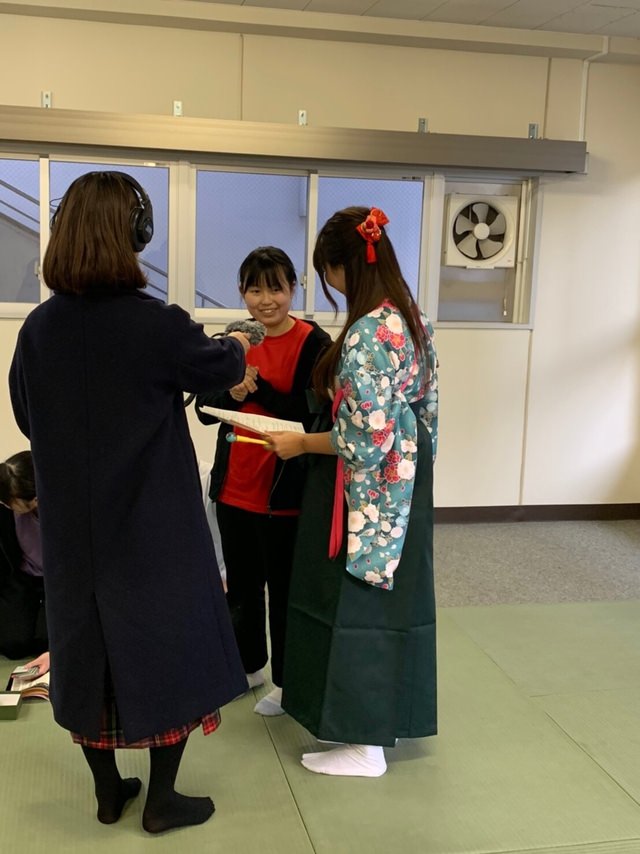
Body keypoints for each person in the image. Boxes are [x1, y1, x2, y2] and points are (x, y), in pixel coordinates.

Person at [9, 171, 253, 833]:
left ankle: (109, 792)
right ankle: (165, 800)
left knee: (88, 661)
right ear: (136, 235)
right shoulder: (159, 325)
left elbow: (28, 416)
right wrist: (237, 341)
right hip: (153, 531)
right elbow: (223, 371)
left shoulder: (38, 330)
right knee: (169, 652)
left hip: (74, 536)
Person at [265, 207, 439, 778]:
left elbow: (362, 441)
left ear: (344, 265)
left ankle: (364, 744)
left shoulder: (367, 331)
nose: (328, 283)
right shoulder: (410, 318)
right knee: (391, 601)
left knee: (355, 599)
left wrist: (298, 443)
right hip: (407, 481)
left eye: (326, 272)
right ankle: (383, 724)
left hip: (364, 490)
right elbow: (424, 410)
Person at [195, 247, 330, 716]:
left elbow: (311, 413)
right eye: (255, 288)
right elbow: (203, 408)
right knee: (242, 587)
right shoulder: (231, 339)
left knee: (286, 592)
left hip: (284, 493)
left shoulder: (315, 342)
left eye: (275, 287)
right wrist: (228, 388)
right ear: (241, 293)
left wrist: (258, 388)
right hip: (234, 488)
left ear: (294, 288)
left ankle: (287, 683)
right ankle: (249, 665)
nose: (265, 300)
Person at [0, 450, 47, 659]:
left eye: (11, 500)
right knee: (12, 644)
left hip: (59, 581)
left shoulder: (63, 509)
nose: (6, 503)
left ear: (35, 498)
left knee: (48, 639)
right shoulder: (6, 511)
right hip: (23, 577)